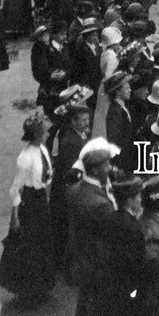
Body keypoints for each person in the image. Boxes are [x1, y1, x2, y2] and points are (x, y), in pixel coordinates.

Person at [67, 138, 120, 316]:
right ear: (97, 169)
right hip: (99, 265)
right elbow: (113, 234)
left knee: (87, 309)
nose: (110, 168)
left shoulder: (79, 189)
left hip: (84, 261)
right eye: (107, 165)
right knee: (97, 314)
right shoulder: (99, 204)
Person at [0, 113, 55, 305]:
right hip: (29, 204)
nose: (48, 134)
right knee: (30, 248)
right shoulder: (25, 158)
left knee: (42, 244)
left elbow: (47, 176)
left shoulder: (43, 150)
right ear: (37, 134)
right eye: (45, 132)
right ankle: (29, 291)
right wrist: (15, 217)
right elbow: (16, 189)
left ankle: (41, 287)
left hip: (41, 200)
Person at [97, 178, 147, 316]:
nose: (141, 199)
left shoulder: (111, 219)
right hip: (129, 288)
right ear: (129, 199)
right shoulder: (133, 227)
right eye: (138, 196)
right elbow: (136, 264)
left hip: (111, 285)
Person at [49, 104, 90, 268]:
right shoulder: (71, 142)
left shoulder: (80, 135)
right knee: (67, 230)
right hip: (68, 193)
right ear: (73, 121)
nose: (87, 123)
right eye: (83, 120)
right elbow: (72, 172)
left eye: (88, 119)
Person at [104, 71, 136, 173]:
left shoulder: (123, 108)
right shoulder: (115, 112)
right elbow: (114, 139)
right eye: (126, 88)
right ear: (117, 91)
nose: (130, 90)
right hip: (122, 161)